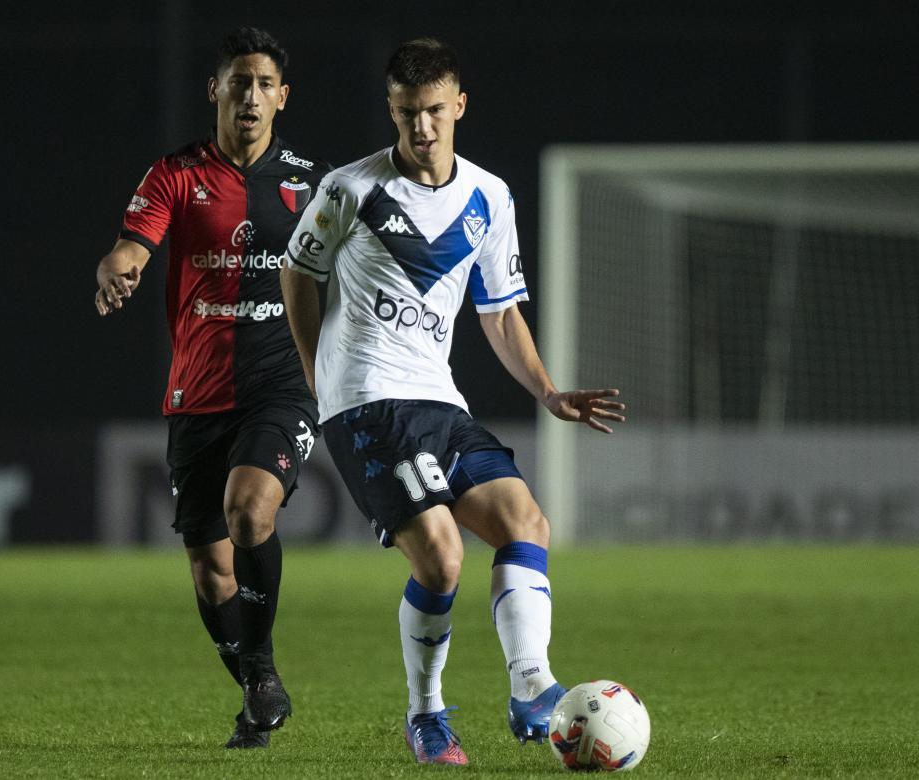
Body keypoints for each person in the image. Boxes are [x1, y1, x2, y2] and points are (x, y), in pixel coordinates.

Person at [279, 37, 625, 766]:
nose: (422, 127)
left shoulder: (489, 197)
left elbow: (498, 314)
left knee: (525, 521)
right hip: (368, 401)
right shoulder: (350, 190)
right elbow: (298, 271)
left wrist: (547, 390)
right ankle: (426, 714)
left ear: (459, 105)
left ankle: (531, 683)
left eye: (435, 110)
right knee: (440, 559)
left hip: (440, 401)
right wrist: (319, 374)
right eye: (407, 112)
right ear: (391, 109)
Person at [93, 26, 330, 749]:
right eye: (239, 82)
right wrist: (120, 263)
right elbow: (136, 241)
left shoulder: (310, 184)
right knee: (208, 574)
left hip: (282, 387)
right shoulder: (175, 174)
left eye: (264, 84)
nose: (250, 95)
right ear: (216, 91)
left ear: (281, 97)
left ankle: (258, 672)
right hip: (197, 395)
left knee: (250, 512)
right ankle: (258, 689)